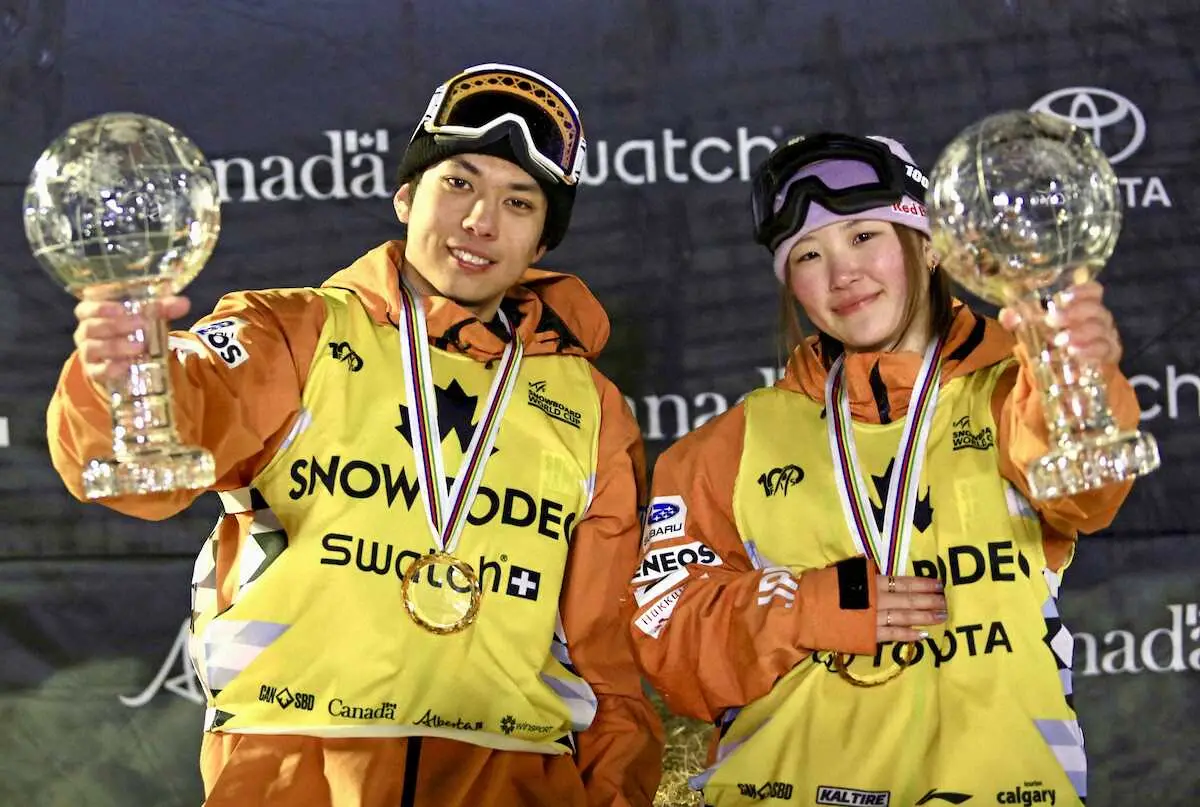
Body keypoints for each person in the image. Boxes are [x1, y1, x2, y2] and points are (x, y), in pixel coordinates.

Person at [47, 62, 663, 807]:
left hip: (511, 778)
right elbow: (152, 460)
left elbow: (605, 652)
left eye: (519, 202)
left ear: (540, 245)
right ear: (406, 196)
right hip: (293, 773)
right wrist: (122, 375)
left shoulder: (591, 406)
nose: (480, 222)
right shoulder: (292, 331)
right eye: (458, 184)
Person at [628, 132, 1139, 806]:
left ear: (930, 244)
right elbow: (671, 645)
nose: (842, 274)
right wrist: (809, 606)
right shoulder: (725, 448)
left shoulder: (1015, 394)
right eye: (808, 255)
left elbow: (1088, 494)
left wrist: (1080, 380)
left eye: (865, 236)